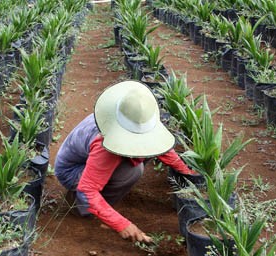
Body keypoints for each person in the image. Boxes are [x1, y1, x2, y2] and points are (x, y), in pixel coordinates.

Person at [54, 81, 199, 243]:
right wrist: (121, 224)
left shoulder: (131, 116)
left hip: (89, 159)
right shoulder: (105, 143)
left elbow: (162, 148)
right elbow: (87, 190)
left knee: (148, 148)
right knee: (132, 172)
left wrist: (187, 172)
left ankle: (105, 196)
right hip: (72, 171)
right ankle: (81, 207)